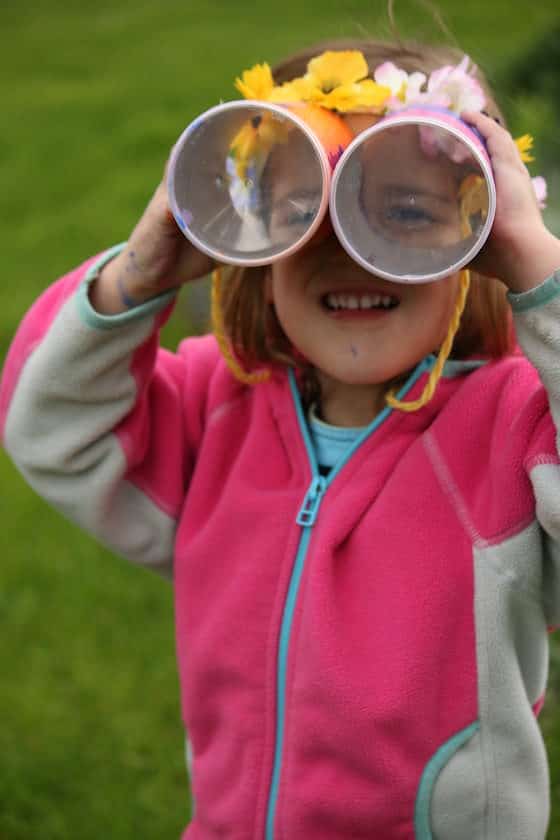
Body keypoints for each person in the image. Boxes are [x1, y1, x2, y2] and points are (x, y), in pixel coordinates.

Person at [2, 36, 560, 840]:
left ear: (479, 237)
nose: (345, 248)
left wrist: (533, 262)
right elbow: (49, 425)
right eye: (303, 215)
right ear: (253, 245)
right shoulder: (211, 412)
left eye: (402, 215)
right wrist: (142, 269)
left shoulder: (511, 431)